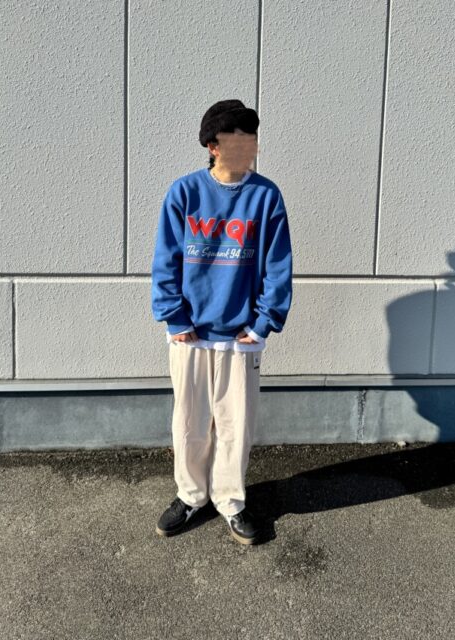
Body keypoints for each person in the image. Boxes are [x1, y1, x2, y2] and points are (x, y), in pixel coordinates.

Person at [151, 99, 293, 545]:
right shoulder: (184, 193)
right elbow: (166, 260)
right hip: (190, 332)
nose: (248, 147)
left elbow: (278, 265)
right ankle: (191, 495)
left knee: (236, 424)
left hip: (240, 334)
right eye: (238, 139)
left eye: (252, 139)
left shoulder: (265, 196)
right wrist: (173, 317)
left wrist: (263, 323)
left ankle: (230, 501)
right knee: (189, 423)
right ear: (213, 146)